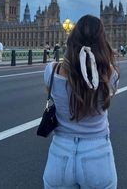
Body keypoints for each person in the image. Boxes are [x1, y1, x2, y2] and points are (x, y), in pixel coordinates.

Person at [43, 14, 119, 189]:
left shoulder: (51, 71)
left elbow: (54, 91)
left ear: (72, 39)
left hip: (60, 156)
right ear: (102, 42)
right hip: (98, 157)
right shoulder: (111, 74)